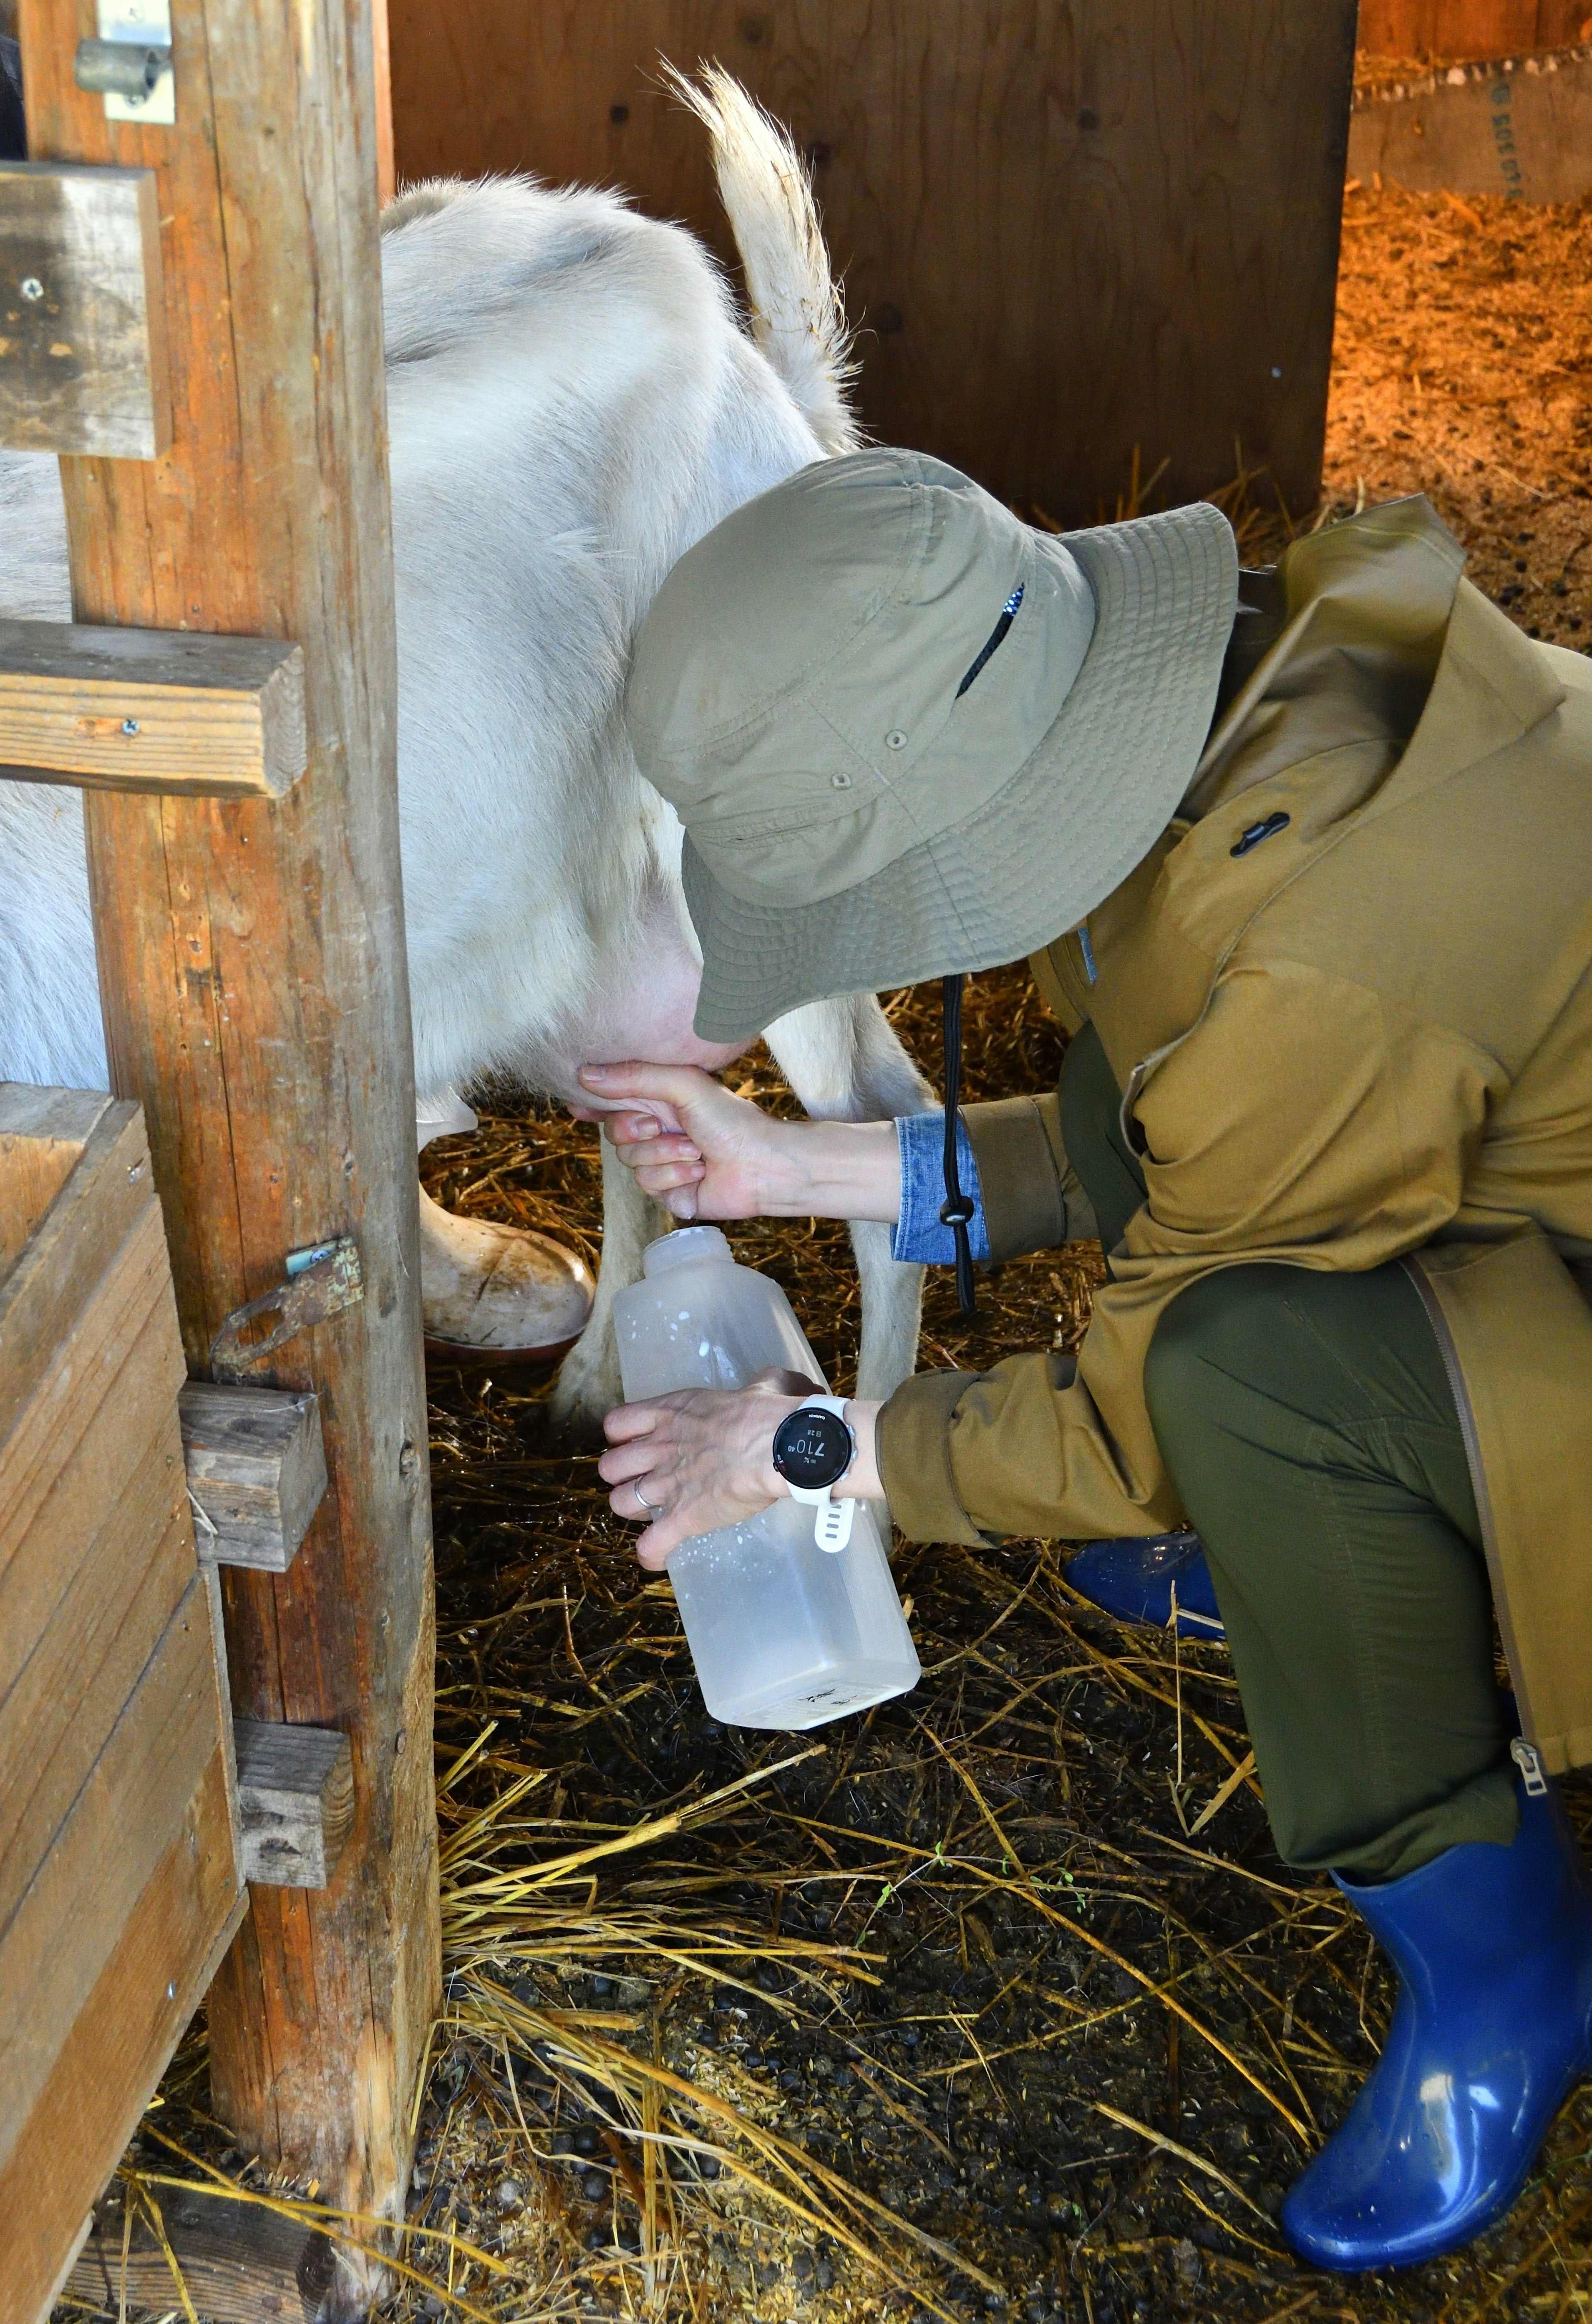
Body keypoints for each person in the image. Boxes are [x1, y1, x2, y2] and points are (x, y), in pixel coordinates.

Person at [578, 447, 1592, 2272]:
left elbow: (1132, 1428)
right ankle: (1315, 1566)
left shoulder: (1321, 955)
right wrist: (793, 1166)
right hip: (1506, 1187)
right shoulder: (1253, 706)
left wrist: (809, 1447)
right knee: (1157, 1179)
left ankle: (1509, 1975)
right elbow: (1167, 1118)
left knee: (1240, 1383)